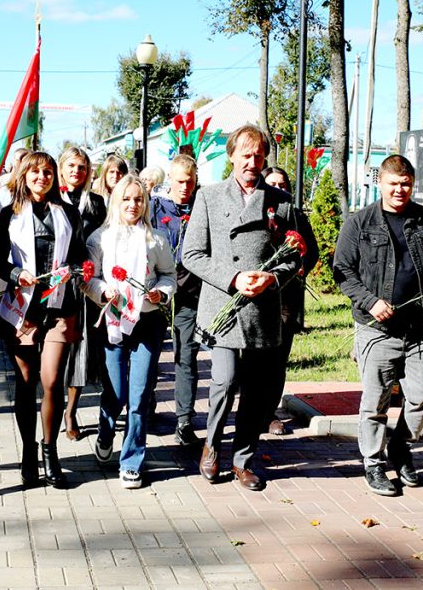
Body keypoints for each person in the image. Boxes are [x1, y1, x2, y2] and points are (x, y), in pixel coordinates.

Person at [182, 125, 300, 492]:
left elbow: (295, 256)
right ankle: (212, 445)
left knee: (257, 390)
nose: (252, 162)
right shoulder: (209, 197)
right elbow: (191, 255)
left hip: (263, 309)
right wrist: (233, 278)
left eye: (258, 156)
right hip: (224, 307)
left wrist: (272, 278)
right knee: (225, 380)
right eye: (245, 155)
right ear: (231, 156)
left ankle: (243, 460)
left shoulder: (280, 201)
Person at [332, 154, 423, 497]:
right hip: (376, 327)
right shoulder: (360, 223)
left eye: (406, 184)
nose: (400, 190)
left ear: (412, 185)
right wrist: (370, 301)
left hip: (417, 326)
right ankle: (373, 463)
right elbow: (342, 270)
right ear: (380, 183)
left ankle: (399, 447)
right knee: (376, 400)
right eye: (393, 183)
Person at [0, 151, 87, 489]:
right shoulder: (10, 214)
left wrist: (73, 270)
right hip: (23, 309)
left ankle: (51, 451)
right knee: (26, 383)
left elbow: (80, 255)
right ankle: (28, 452)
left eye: (47, 172)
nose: (42, 177)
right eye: (35, 171)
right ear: (24, 174)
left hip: (59, 308)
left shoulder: (68, 213)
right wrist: (17, 273)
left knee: (51, 381)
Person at [85, 175, 177, 488]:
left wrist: (161, 293)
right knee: (116, 392)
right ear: (116, 201)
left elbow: (169, 275)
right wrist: (102, 290)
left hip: (147, 323)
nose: (132, 205)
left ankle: (132, 460)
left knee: (139, 394)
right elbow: (89, 278)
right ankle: (106, 430)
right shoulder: (100, 238)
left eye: (138, 199)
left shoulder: (157, 239)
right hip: (113, 321)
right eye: (126, 199)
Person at [261, 166, 320, 435]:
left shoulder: (295, 216)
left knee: (278, 357)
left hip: (287, 296)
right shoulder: (255, 212)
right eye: (272, 183)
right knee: (256, 358)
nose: (279, 189)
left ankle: (269, 411)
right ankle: (252, 408)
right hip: (258, 296)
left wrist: (299, 268)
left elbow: (312, 250)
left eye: (283, 184)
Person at [150, 154, 201, 446]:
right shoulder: (156, 206)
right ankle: (147, 406)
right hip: (157, 289)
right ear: (170, 179)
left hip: (189, 291)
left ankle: (184, 419)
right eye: (181, 181)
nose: (185, 187)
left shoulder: (200, 206)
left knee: (186, 356)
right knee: (152, 352)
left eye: (190, 182)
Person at [57, 146, 108, 441]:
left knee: (80, 350)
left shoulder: (96, 203)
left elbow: (104, 240)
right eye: (72, 166)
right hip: (56, 286)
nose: (77, 171)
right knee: (55, 353)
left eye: (82, 167)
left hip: (85, 287)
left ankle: (71, 412)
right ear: (62, 168)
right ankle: (54, 403)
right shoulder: (52, 199)